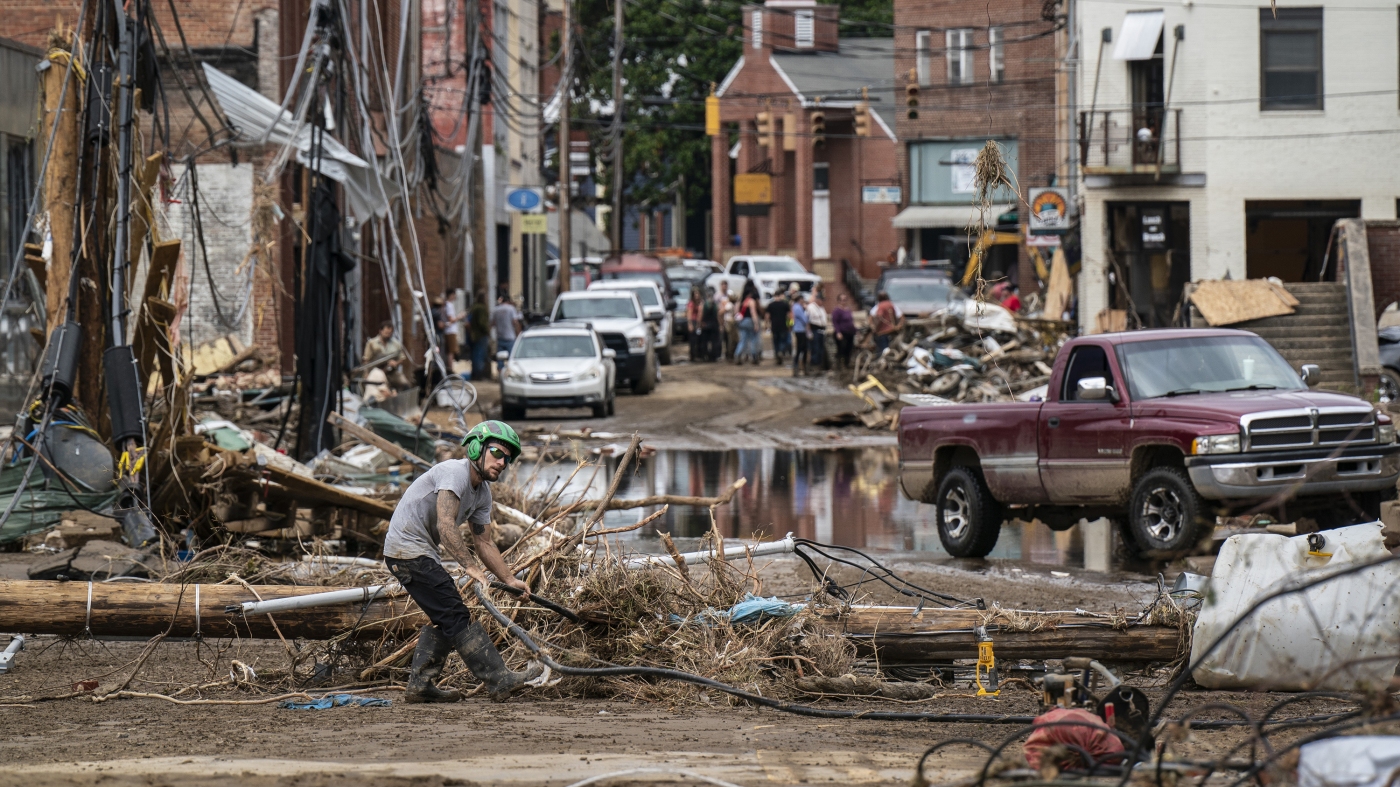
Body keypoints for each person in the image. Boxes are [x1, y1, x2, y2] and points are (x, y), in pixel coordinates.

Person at [382, 421, 543, 703]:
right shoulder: (453, 473)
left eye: (507, 458)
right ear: (475, 448)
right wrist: (471, 567)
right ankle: (498, 678)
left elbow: (484, 542)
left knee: (445, 615)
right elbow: (446, 525)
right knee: (455, 613)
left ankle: (421, 686)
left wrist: (508, 579)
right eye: (496, 452)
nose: (502, 462)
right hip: (405, 549)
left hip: (419, 552)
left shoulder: (482, 493)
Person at [363, 321, 412, 390]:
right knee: (380, 389)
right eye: (386, 333)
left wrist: (396, 363)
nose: (388, 335)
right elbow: (366, 359)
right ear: (380, 331)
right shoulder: (372, 343)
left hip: (391, 372)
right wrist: (366, 373)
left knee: (404, 383)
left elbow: (402, 358)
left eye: (390, 333)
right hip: (376, 372)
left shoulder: (396, 344)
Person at [491, 294, 523, 372]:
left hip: (500, 337)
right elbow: (515, 322)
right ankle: (510, 373)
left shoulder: (496, 310)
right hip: (510, 337)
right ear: (509, 301)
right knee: (511, 358)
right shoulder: (511, 309)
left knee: (500, 358)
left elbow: (492, 323)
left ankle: (500, 373)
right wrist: (518, 333)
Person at [735, 281, 762, 364]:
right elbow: (753, 313)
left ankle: (738, 355)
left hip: (741, 322)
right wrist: (756, 324)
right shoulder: (751, 301)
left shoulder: (740, 301)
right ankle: (754, 356)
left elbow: (736, 312)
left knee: (742, 340)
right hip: (749, 321)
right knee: (753, 339)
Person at [468, 291, 492, 380]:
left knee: (474, 355)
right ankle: (479, 375)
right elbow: (482, 323)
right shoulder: (481, 308)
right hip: (480, 335)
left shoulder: (473, 307)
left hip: (473, 335)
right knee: (480, 355)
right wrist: (487, 331)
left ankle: (474, 373)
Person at [870, 290, 904, 355]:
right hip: (892, 331)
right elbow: (902, 318)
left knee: (882, 348)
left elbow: (872, 317)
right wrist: (899, 326)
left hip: (882, 332)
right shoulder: (892, 305)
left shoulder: (878, 306)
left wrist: (874, 327)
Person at [765, 289, 791, 364]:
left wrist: (766, 325)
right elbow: (789, 316)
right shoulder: (785, 304)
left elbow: (767, 316)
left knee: (775, 341)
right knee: (782, 341)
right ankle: (780, 351)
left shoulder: (771, 305)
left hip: (774, 326)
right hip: (783, 326)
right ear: (780, 296)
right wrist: (790, 325)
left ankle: (777, 353)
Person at [806, 291, 830, 372]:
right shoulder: (810, 308)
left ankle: (820, 364)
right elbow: (807, 321)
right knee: (815, 348)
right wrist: (808, 332)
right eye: (821, 300)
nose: (822, 302)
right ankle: (814, 365)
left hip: (821, 330)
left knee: (821, 348)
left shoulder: (821, 308)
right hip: (814, 329)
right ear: (817, 299)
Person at [832, 293, 856, 370]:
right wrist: (838, 332)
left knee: (849, 349)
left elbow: (851, 321)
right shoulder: (837, 311)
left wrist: (855, 330)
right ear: (839, 301)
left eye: (845, 300)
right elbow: (835, 322)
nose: (843, 301)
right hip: (842, 332)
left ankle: (847, 364)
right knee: (842, 348)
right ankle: (839, 365)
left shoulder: (848, 310)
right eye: (842, 300)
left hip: (850, 332)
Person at [699, 286, 721, 361]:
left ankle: (705, 355)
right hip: (714, 325)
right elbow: (718, 315)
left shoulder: (703, 304)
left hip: (705, 325)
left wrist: (700, 323)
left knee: (705, 342)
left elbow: (700, 315)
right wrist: (720, 325)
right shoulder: (715, 305)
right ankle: (713, 356)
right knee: (714, 341)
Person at [791, 291, 810, 376]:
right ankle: (800, 367)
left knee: (800, 349)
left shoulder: (794, 307)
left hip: (797, 329)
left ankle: (798, 367)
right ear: (800, 299)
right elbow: (804, 319)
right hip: (800, 330)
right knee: (802, 349)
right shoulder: (798, 308)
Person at [443, 288, 463, 364]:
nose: (455, 296)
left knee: (450, 351)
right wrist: (459, 316)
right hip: (450, 331)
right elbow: (451, 319)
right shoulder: (449, 305)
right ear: (450, 295)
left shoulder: (446, 305)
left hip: (448, 330)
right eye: (454, 295)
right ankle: (450, 369)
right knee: (451, 352)